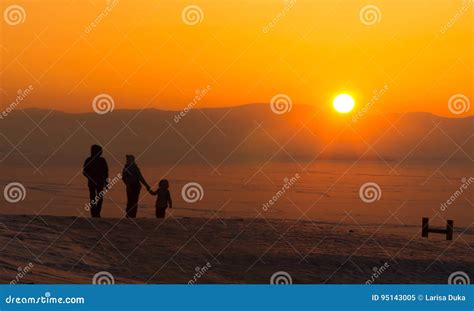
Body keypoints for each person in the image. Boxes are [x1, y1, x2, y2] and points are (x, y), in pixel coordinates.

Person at [83, 144, 109, 218]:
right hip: (93, 183)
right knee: (94, 198)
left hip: (99, 182)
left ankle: (96, 213)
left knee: (97, 198)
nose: (101, 152)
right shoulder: (89, 160)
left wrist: (106, 183)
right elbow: (85, 172)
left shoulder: (102, 160)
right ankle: (94, 214)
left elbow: (106, 172)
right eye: (100, 151)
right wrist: (91, 178)